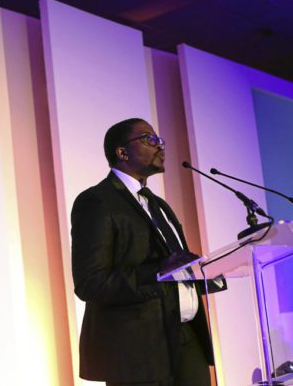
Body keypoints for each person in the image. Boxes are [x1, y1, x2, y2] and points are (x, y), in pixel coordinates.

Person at [71, 118, 225, 386]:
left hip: (187, 338)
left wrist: (209, 272)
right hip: (138, 350)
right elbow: (90, 283)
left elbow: (176, 267)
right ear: (122, 152)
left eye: (160, 140)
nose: (160, 146)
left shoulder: (159, 205)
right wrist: (157, 272)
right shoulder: (97, 201)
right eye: (149, 139)